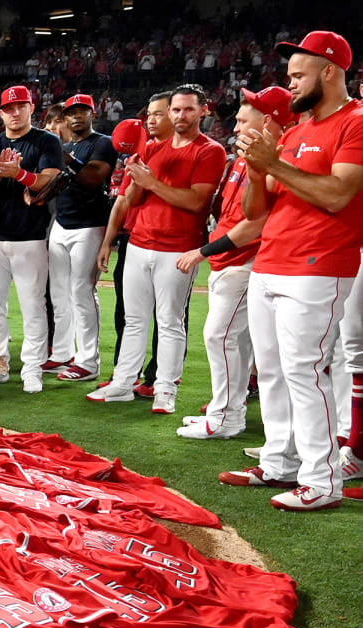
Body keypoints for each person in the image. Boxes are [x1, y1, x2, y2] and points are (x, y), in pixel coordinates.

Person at [221, 31, 363, 510]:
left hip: (318, 265)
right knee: (276, 371)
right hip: (271, 262)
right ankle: (280, 461)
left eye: (299, 75)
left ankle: (322, 481)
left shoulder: (356, 122)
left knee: (306, 371)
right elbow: (257, 210)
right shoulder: (296, 131)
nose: (291, 85)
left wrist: (273, 165)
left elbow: (337, 195)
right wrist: (257, 167)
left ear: (330, 70)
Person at [88, 84, 223, 412]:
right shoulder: (150, 149)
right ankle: (123, 382)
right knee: (134, 319)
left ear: (203, 111)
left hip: (178, 248)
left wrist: (151, 183)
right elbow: (131, 198)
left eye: (188, 109)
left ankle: (165, 389)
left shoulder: (210, 151)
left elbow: (196, 202)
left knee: (170, 320)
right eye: (176, 109)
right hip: (138, 244)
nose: (181, 115)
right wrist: (135, 179)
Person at [173, 87, 289, 440]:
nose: (235, 128)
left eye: (242, 120)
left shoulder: (276, 157)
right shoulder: (243, 157)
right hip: (229, 259)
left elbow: (256, 222)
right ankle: (228, 410)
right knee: (231, 340)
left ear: (267, 121)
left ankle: (226, 416)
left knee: (221, 337)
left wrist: (203, 251)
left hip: (245, 258)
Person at [0, 85, 66, 393]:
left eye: (20, 107)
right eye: (8, 109)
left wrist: (20, 174)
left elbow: (51, 181)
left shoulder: (46, 140)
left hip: (31, 237)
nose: (14, 113)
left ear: (30, 108)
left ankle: (33, 368)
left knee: (33, 306)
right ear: (0, 114)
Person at [98, 95, 174, 395]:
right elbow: (122, 201)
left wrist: (150, 183)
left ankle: (160, 378)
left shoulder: (192, 149)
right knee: (128, 313)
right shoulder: (142, 152)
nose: (151, 120)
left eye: (159, 114)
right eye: (149, 115)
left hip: (170, 242)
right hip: (133, 239)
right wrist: (108, 242)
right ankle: (124, 372)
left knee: (166, 318)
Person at [48, 94, 118, 383]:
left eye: (82, 111)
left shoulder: (103, 142)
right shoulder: (63, 145)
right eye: (71, 113)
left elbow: (92, 178)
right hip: (61, 223)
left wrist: (66, 158)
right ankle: (63, 353)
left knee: (82, 291)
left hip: (90, 225)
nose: (76, 117)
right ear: (64, 118)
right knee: (59, 293)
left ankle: (88, 361)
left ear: (92, 113)